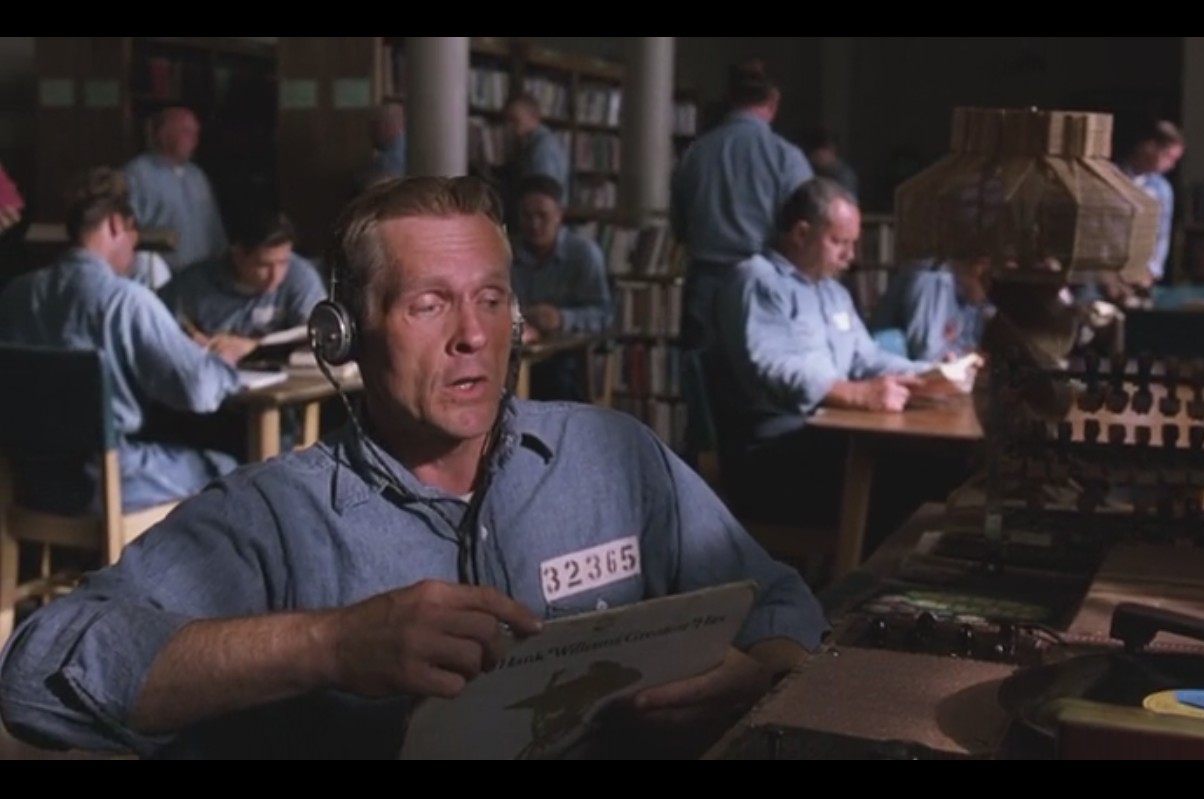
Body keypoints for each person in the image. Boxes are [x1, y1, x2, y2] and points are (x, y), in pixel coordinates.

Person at [0, 175, 828, 760]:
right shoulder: (276, 517)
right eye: (428, 304)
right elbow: (38, 675)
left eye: (491, 299)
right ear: (342, 336)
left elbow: (783, 601)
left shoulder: (614, 456)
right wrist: (328, 645)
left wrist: (757, 676)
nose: (472, 335)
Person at [710, 177, 966, 530]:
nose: (850, 255)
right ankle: (868, 561)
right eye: (839, 242)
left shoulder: (832, 292)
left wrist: (932, 372)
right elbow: (777, 368)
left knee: (940, 463)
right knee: (915, 472)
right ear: (801, 233)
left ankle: (881, 558)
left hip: (823, 438)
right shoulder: (757, 279)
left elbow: (866, 358)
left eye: (852, 243)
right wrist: (859, 394)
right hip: (773, 453)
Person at [0, 167, 245, 516]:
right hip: (107, 482)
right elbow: (198, 390)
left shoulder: (16, 294)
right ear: (117, 225)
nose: (134, 249)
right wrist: (223, 361)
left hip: (29, 482)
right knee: (232, 472)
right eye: (134, 235)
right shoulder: (126, 300)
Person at [669, 58, 813, 353]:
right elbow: (805, 231)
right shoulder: (787, 158)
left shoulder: (695, 154)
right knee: (764, 370)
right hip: (765, 284)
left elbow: (679, 226)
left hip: (705, 283)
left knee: (703, 373)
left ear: (730, 99)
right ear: (774, 100)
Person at [160, 205, 326, 361]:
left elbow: (321, 335)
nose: (275, 276)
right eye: (263, 265)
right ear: (237, 254)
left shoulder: (300, 276)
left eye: (283, 262)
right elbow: (157, 330)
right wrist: (187, 341)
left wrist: (253, 346)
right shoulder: (193, 283)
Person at [511, 175, 613, 402]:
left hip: (569, 361)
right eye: (527, 216)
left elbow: (605, 316)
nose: (534, 224)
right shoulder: (508, 253)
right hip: (519, 353)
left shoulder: (583, 254)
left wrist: (562, 318)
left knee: (555, 380)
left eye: (542, 216)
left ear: (559, 215)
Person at [123, 105, 228, 272]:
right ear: (163, 134)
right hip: (161, 275)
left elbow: (213, 226)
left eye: (196, 133)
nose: (194, 139)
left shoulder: (197, 176)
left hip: (202, 274)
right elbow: (126, 228)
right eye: (186, 131)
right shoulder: (137, 174)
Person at [869, 257, 993, 362]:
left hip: (916, 370)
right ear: (979, 269)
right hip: (887, 368)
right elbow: (927, 354)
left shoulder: (969, 297)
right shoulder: (932, 280)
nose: (986, 303)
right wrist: (960, 353)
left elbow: (969, 345)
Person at [1116, 119, 1185, 289]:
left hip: (1139, 273)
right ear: (1150, 146)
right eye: (1168, 156)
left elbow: (1161, 233)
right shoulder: (1112, 177)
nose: (1171, 165)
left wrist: (1152, 272)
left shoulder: (1162, 190)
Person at [503, 92, 571, 209]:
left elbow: (543, 193)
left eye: (514, 119)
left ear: (533, 117)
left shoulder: (542, 147)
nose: (509, 126)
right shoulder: (537, 143)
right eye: (508, 120)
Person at [355, 98, 406, 193]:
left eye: (373, 126)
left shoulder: (388, 159)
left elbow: (373, 189)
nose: (370, 133)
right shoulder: (409, 145)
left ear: (384, 126)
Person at [799, 128, 859, 201]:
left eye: (818, 155)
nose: (814, 159)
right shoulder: (812, 170)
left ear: (831, 150)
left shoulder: (844, 175)